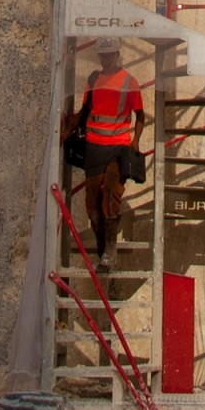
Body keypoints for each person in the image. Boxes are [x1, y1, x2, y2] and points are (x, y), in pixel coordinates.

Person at [63, 40, 145, 266]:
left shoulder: (130, 82)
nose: (105, 59)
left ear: (117, 55)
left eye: (109, 55)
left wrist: (135, 141)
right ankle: (103, 251)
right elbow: (86, 110)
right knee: (93, 207)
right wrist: (68, 128)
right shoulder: (93, 79)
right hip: (94, 148)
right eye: (102, 55)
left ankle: (111, 250)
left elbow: (140, 116)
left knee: (111, 196)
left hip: (117, 148)